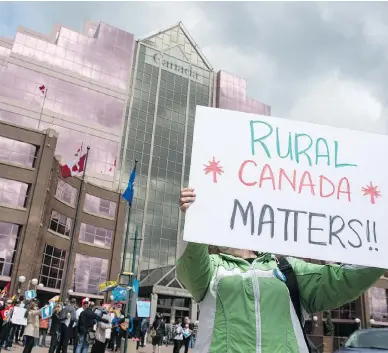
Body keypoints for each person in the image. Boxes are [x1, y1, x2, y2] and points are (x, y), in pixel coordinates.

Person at [176, 187, 386, 353]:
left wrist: (382, 247)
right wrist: (195, 217)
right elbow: (190, 263)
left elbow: (344, 280)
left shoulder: (288, 270)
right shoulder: (212, 268)